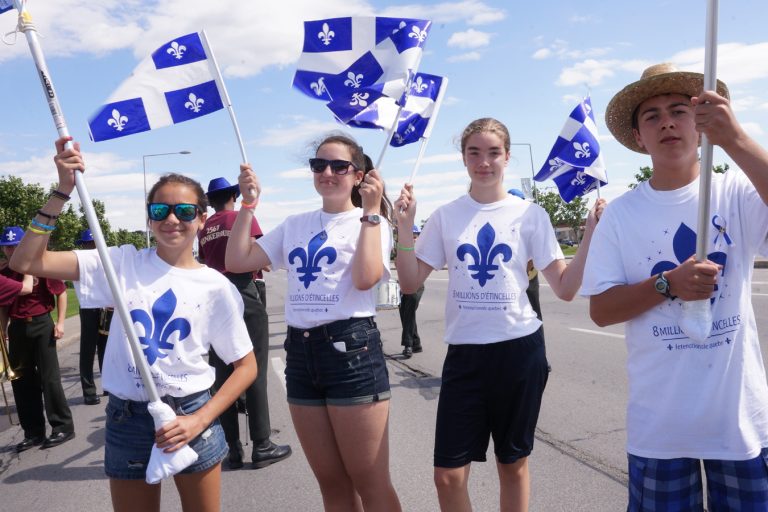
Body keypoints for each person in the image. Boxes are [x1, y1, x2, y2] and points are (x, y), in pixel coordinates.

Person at [10, 136, 257, 512]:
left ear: (202, 218)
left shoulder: (216, 286)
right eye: (160, 210)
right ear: (149, 217)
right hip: (128, 417)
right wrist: (62, 191)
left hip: (192, 414)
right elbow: (26, 262)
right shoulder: (120, 263)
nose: (172, 219)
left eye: (185, 211)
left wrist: (199, 420)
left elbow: (245, 366)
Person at [582, 63, 768, 510]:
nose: (667, 120)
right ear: (639, 138)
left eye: (680, 110)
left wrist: (736, 139)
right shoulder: (621, 215)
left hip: (739, 421)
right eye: (652, 115)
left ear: (700, 123)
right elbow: (602, 311)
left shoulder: (736, 193)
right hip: (661, 428)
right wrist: (668, 283)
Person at [394, 118, 604, 512]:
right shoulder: (445, 216)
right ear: (463, 158)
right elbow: (408, 284)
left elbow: (565, 287)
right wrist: (405, 230)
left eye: (493, 153)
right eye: (474, 152)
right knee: (448, 475)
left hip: (519, 351)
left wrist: (590, 232)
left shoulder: (530, 214)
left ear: (507, 157)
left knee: (513, 464)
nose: (484, 161)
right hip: (465, 356)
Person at [225, 133, 401, 511]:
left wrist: (371, 211)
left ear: (358, 175)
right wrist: (248, 206)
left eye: (339, 166)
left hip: (351, 349)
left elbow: (366, 278)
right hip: (302, 354)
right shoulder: (295, 224)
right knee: (331, 482)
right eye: (319, 165)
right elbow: (238, 260)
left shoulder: (371, 222)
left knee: (369, 480)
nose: (327, 172)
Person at [198, 176, 291, 470]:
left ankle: (231, 449)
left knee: (223, 375)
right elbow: (254, 254)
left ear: (210, 202)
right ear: (234, 197)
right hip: (242, 290)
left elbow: (204, 261)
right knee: (254, 368)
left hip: (213, 297)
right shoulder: (241, 217)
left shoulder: (205, 229)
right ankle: (262, 444)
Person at [0, 225, 75, 451]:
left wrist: (60, 323)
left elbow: (60, 293)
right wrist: (3, 331)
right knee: (21, 381)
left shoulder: (40, 266)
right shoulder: (4, 272)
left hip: (42, 324)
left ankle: (62, 426)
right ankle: (33, 432)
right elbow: (3, 306)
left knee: (49, 378)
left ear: (24, 245)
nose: (11, 251)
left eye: (15, 246)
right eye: (7, 247)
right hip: (17, 328)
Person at [75, 228, 109, 405]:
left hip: (105, 307)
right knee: (87, 350)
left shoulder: (107, 258)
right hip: (88, 307)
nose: (91, 246)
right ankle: (88, 392)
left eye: (93, 243)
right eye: (88, 243)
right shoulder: (78, 261)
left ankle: (109, 385)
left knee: (106, 348)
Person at [399, 224, 424, 358]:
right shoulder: (404, 248)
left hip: (417, 285)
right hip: (404, 285)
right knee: (405, 313)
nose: (414, 239)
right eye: (412, 236)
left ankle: (408, 345)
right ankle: (416, 343)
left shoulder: (421, 249)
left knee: (408, 313)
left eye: (415, 236)